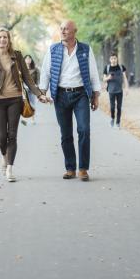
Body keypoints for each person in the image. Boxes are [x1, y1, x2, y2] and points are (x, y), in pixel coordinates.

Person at [39, 20, 101, 181]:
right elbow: (46, 71)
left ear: (75, 31)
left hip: (81, 94)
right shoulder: (53, 49)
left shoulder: (85, 49)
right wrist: (42, 91)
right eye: (61, 29)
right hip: (60, 95)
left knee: (84, 130)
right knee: (65, 134)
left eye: (66, 29)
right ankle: (70, 168)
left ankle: (83, 169)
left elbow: (93, 73)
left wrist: (96, 95)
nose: (63, 31)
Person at [0, 27, 47, 182]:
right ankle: (4, 156)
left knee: (12, 135)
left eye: (5, 37)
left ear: (9, 40)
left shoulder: (17, 56)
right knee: (1, 137)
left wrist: (39, 94)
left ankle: (10, 168)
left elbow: (27, 79)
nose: (2, 40)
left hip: (15, 100)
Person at [103, 53, 129, 128]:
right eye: (112, 58)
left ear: (117, 59)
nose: (113, 60)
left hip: (119, 90)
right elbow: (104, 79)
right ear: (110, 59)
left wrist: (126, 88)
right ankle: (112, 118)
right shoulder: (107, 68)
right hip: (111, 90)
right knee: (112, 107)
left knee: (119, 107)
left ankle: (118, 122)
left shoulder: (121, 67)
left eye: (115, 58)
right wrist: (108, 78)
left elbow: (125, 78)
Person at [21, 55, 40, 125]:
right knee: (25, 104)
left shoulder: (35, 69)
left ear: (31, 60)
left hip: (32, 89)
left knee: (32, 104)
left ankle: (33, 120)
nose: (28, 60)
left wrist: (37, 86)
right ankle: (24, 119)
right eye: (26, 59)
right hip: (24, 89)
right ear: (24, 60)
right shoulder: (21, 69)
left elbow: (38, 79)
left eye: (29, 58)